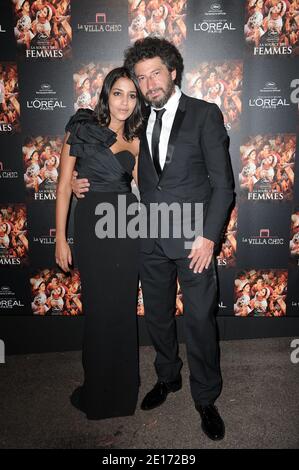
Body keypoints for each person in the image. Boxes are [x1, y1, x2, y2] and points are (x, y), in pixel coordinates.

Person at [72, 37, 234, 440]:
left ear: (173, 71)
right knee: (158, 318)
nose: (148, 83)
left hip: (193, 238)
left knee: (198, 319)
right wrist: (82, 182)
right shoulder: (137, 122)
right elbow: (111, 161)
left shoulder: (204, 114)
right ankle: (168, 378)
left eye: (155, 73)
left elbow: (224, 186)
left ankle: (206, 397)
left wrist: (209, 237)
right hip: (147, 235)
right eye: (140, 77)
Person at [55, 67, 144, 420]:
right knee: (97, 310)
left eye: (132, 95)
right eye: (118, 93)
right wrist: (61, 238)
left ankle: (122, 396)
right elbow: (64, 186)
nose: (124, 102)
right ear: (106, 94)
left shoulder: (137, 140)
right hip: (92, 227)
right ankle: (97, 393)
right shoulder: (81, 126)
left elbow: (151, 190)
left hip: (127, 227)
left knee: (122, 310)